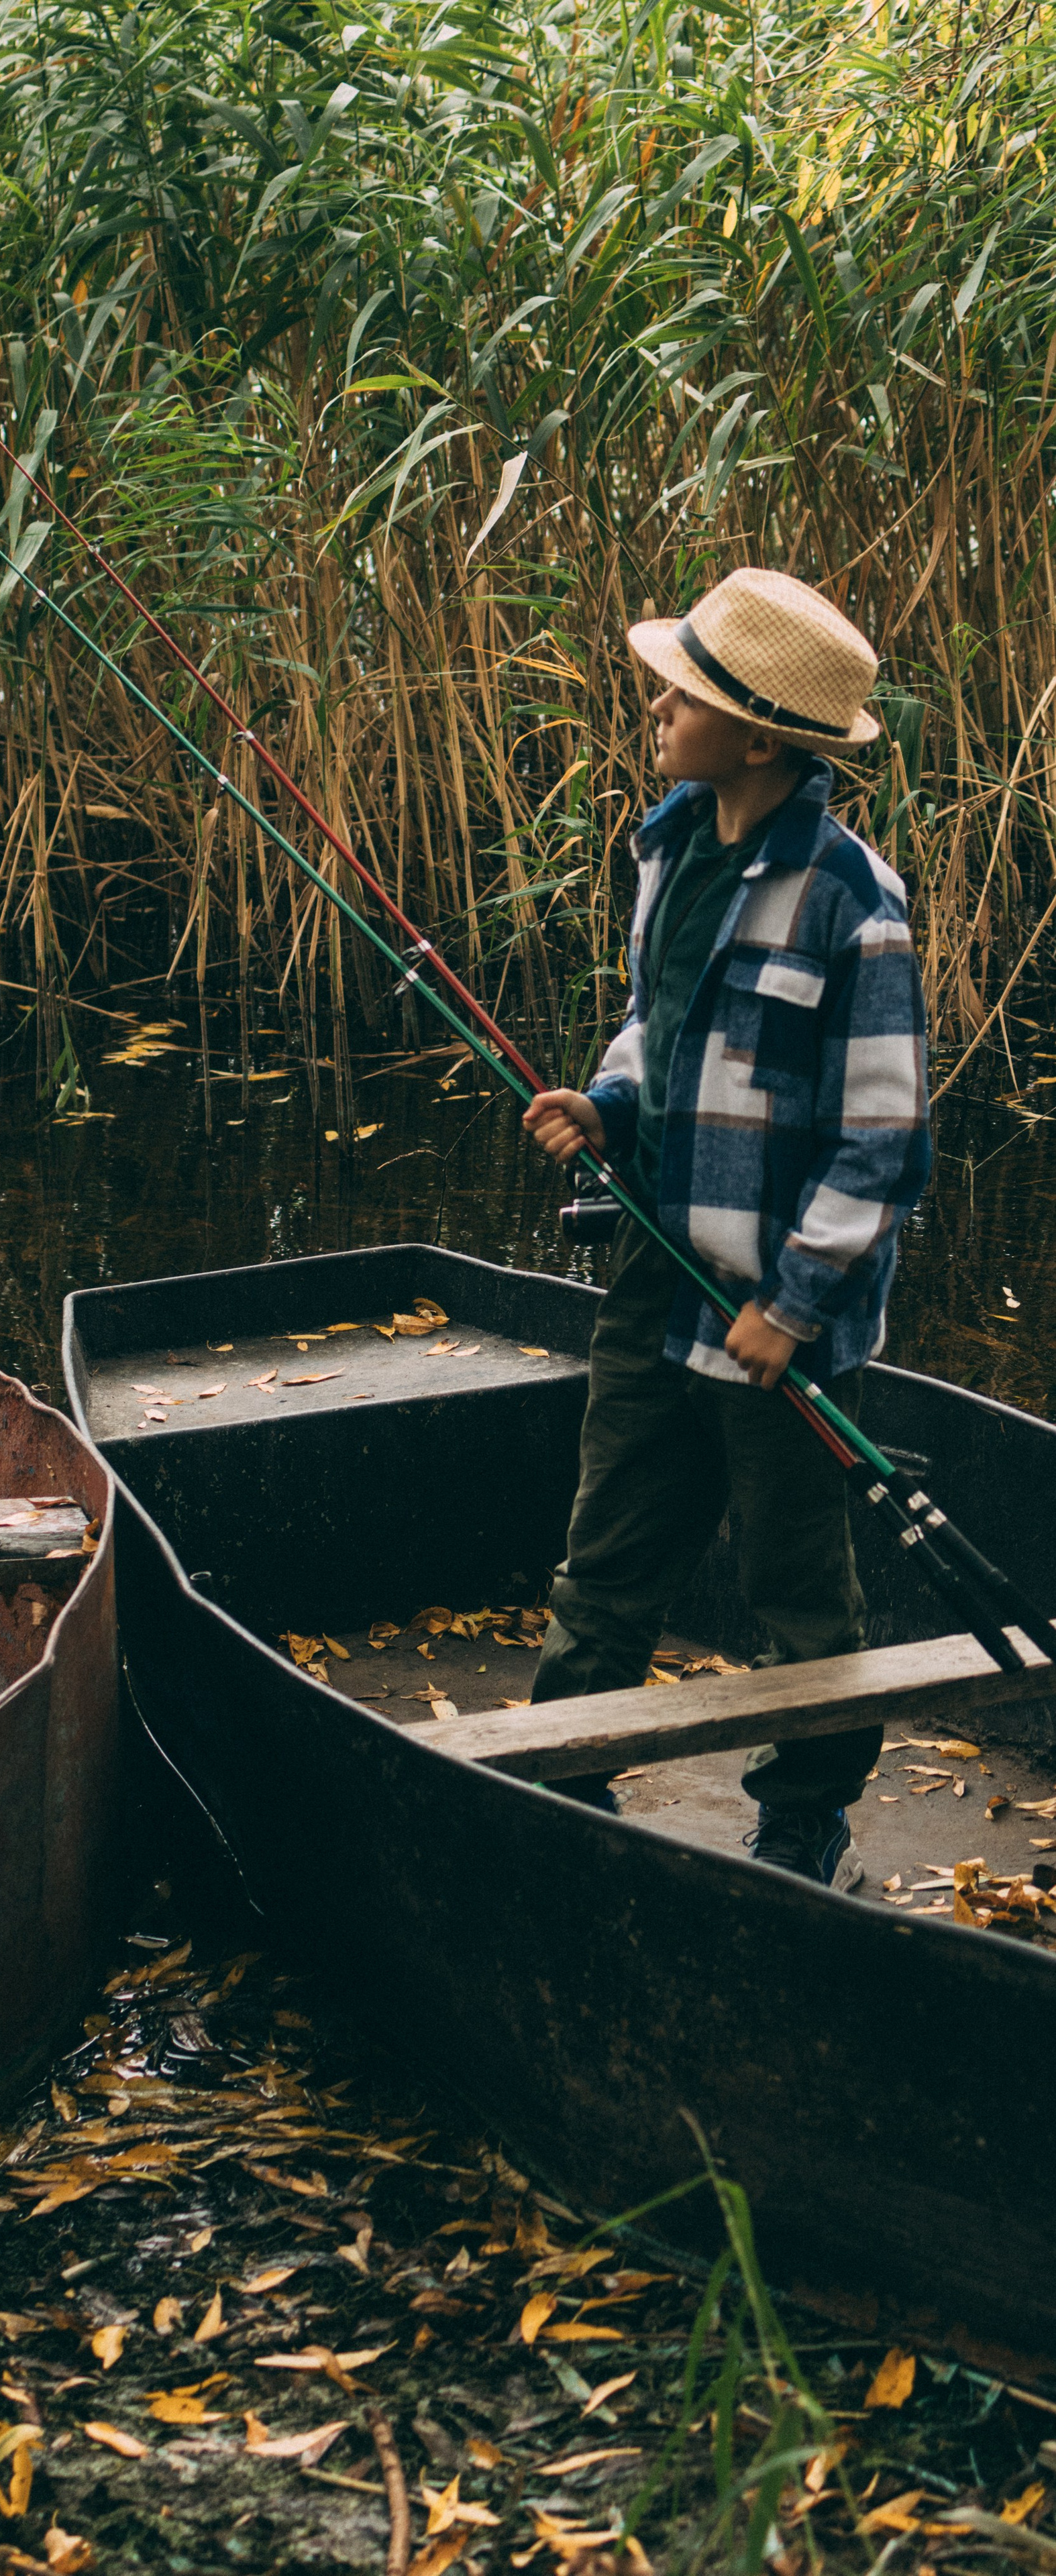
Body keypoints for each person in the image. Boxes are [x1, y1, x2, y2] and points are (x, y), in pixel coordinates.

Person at [522, 567, 931, 1888]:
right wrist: (604, 1102)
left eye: (680, 692)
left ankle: (801, 1817)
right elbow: (661, 1026)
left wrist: (792, 1306)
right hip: (657, 1277)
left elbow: (882, 1140)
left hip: (773, 1327)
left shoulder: (850, 904)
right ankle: (561, 1778)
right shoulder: (669, 848)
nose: (652, 705)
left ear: (755, 736)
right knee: (607, 1551)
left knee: (796, 1596)